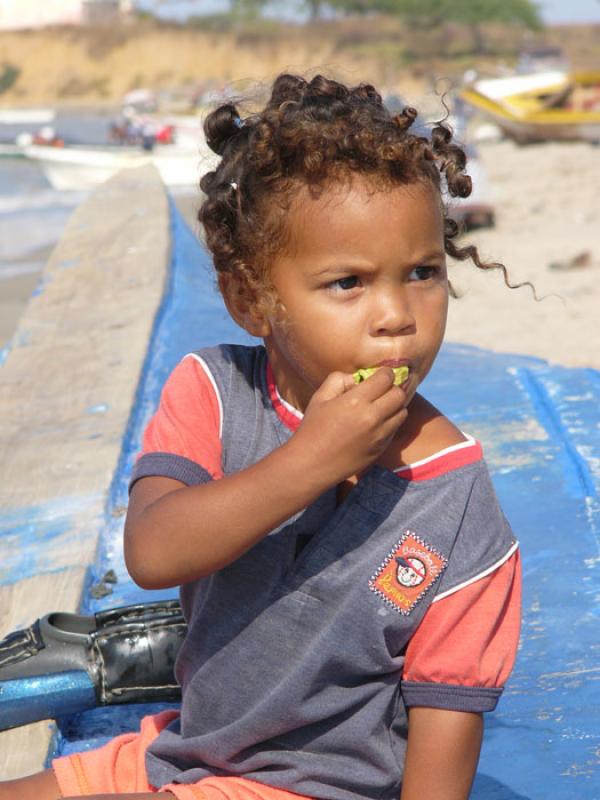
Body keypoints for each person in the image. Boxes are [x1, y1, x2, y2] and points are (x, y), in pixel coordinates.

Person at [1, 73, 521, 800]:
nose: (397, 315)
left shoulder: (460, 509)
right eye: (348, 282)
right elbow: (153, 553)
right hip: (185, 751)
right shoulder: (214, 394)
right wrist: (309, 462)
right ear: (253, 300)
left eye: (422, 272)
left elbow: (446, 740)